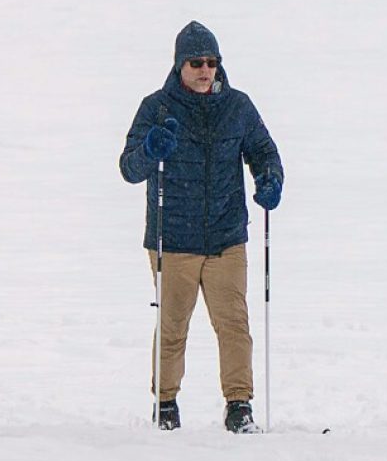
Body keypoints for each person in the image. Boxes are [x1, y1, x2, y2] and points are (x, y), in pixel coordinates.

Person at [119, 21, 284, 434]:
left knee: (233, 326)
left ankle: (239, 405)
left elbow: (263, 151)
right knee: (173, 326)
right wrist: (150, 149)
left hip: (226, 237)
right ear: (179, 66)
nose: (204, 70)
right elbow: (129, 167)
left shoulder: (238, 107)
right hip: (173, 238)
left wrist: (269, 178)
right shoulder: (156, 108)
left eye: (211, 62)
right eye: (196, 62)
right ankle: (166, 404)